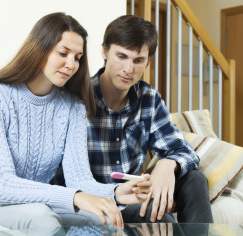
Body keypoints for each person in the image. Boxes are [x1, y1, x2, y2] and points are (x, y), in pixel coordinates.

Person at [0, 12, 152, 231]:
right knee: (42, 218)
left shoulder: (73, 106)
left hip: (34, 204)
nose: (71, 64)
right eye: (63, 53)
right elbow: (2, 185)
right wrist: (76, 197)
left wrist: (115, 193)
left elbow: (79, 180)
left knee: (105, 219)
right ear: (40, 48)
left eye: (77, 57)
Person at [52, 14, 213, 224]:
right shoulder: (76, 99)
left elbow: (184, 152)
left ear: (147, 61)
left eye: (138, 61)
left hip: (134, 193)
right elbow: (61, 177)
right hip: (95, 199)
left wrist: (167, 164)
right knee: (160, 219)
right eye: (121, 56)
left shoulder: (149, 99)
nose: (129, 70)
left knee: (195, 179)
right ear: (104, 52)